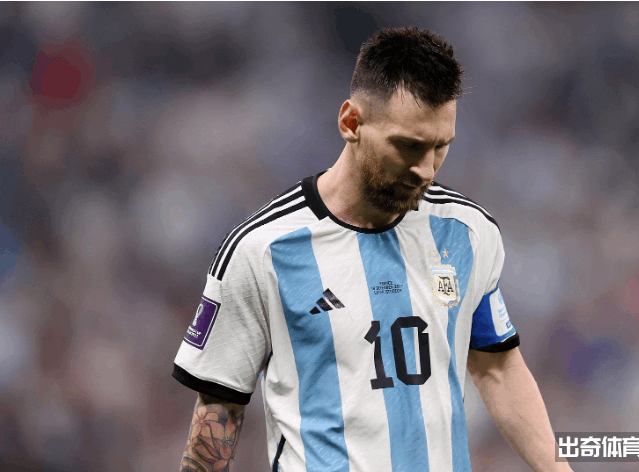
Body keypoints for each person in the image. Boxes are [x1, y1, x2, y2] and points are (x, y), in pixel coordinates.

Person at [173, 26, 573, 472]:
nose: (426, 169)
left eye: (441, 147)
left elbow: (497, 367)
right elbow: (219, 410)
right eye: (409, 146)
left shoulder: (467, 233)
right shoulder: (262, 251)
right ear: (351, 123)